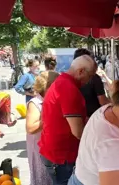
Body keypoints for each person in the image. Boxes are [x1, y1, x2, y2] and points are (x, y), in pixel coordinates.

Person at [38, 55, 96, 185]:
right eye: (90, 75)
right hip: (62, 156)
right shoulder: (68, 88)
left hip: (56, 153)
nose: (90, 80)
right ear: (81, 71)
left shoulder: (62, 82)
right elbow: (78, 132)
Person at [26, 71, 59, 185]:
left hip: (50, 148)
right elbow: (30, 128)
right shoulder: (35, 103)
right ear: (48, 86)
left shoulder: (53, 100)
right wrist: (50, 117)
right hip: (38, 148)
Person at [74, 48, 109, 118]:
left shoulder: (70, 79)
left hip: (79, 118)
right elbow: (103, 102)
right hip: (94, 118)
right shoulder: (95, 78)